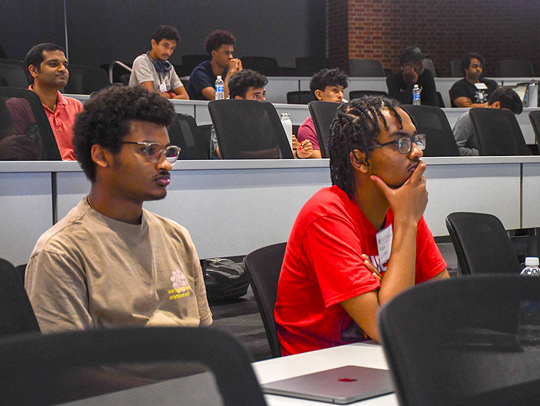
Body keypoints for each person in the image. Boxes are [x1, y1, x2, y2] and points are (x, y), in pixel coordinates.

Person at [25, 86, 212, 333]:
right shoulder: (60, 253)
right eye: (149, 150)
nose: (166, 164)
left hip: (194, 370)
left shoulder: (177, 236)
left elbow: (206, 337)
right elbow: (68, 366)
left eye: (167, 152)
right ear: (102, 156)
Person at [275, 96, 449, 356]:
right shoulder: (327, 216)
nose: (417, 152)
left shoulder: (402, 209)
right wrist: (405, 223)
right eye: (401, 143)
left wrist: (385, 292)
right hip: (321, 366)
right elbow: (387, 327)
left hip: (380, 355)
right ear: (360, 159)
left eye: (416, 140)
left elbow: (445, 301)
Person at [209, 69, 313, 159]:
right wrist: (272, 152)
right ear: (238, 100)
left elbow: (280, 154)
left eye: (263, 95)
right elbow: (227, 154)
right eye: (256, 96)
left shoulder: (267, 120)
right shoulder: (222, 121)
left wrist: (297, 152)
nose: (263, 100)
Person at [25, 43, 84, 160]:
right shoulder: (19, 105)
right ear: (34, 71)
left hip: (74, 173)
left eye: (65, 65)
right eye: (53, 64)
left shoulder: (75, 106)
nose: (62, 69)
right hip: (38, 173)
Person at [453, 87, 523, 156]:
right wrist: (483, 154)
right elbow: (455, 149)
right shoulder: (468, 118)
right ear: (496, 105)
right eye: (508, 115)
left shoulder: (503, 124)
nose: (508, 119)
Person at [297, 68, 348, 159]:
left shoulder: (349, 121)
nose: (341, 95)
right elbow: (322, 161)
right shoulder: (307, 129)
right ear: (319, 94)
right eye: (335, 90)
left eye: (342, 91)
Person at [129, 25, 189, 100]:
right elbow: (150, 95)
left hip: (161, 108)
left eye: (172, 48)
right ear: (153, 43)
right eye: (165, 46)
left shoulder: (169, 67)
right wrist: (171, 95)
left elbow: (185, 97)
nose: (168, 52)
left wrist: (169, 96)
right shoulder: (141, 61)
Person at [187, 30, 243, 100]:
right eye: (226, 53)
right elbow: (218, 101)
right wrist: (231, 72)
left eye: (231, 53)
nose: (230, 57)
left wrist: (240, 75)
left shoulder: (228, 71)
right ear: (214, 53)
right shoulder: (199, 73)